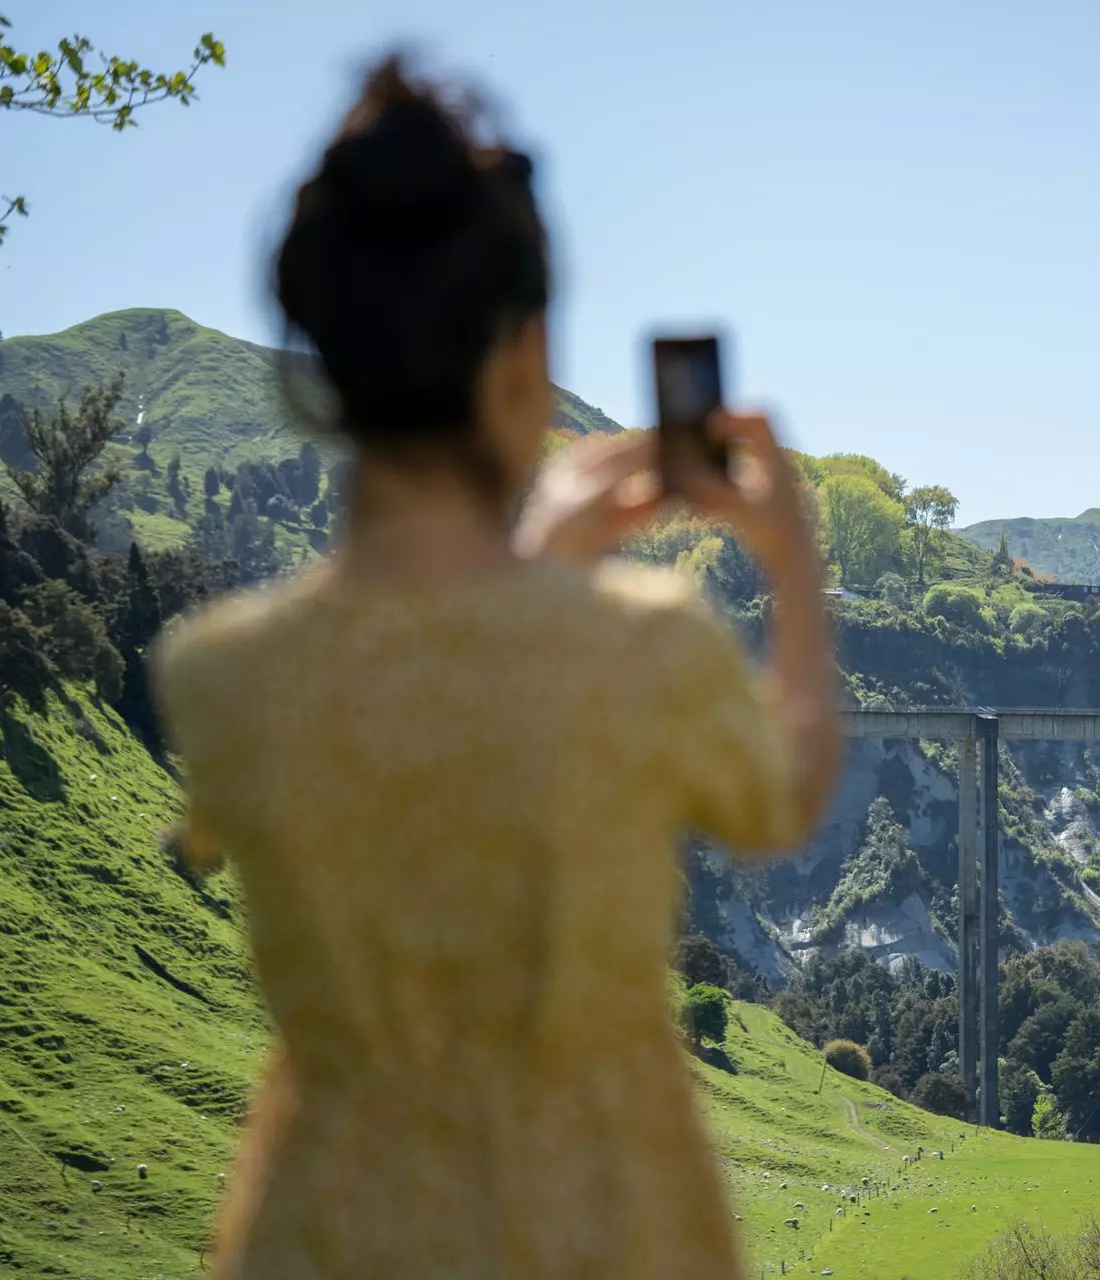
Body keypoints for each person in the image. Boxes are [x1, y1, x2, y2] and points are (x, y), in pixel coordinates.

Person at [149, 55, 839, 1279]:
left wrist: (533, 558)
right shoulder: (642, 644)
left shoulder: (222, 675)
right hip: (605, 1223)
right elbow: (780, 798)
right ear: (522, 358)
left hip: (324, 1228)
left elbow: (421, 677)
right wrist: (791, 565)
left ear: (328, 374)